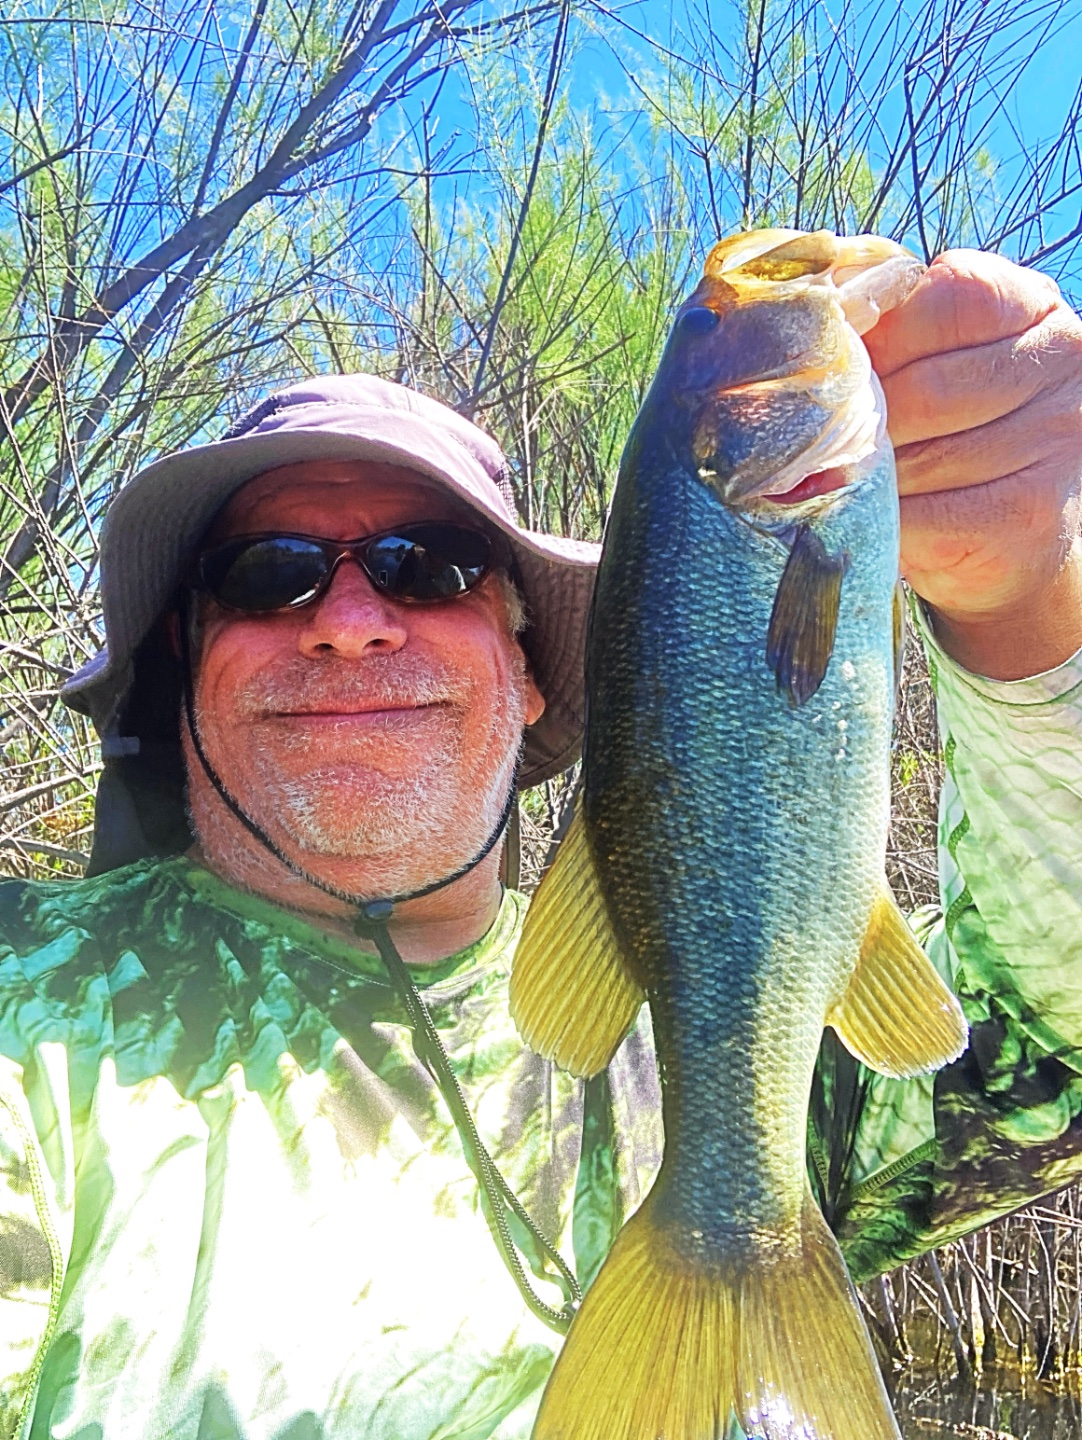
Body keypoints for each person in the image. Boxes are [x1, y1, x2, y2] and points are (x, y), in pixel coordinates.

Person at [0, 247, 1079, 1440]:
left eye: (426, 566)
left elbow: (1053, 1041)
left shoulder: (718, 1046)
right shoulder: (20, 1003)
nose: (350, 623)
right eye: (268, 575)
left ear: (523, 673)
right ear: (186, 665)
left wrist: (1021, 607)